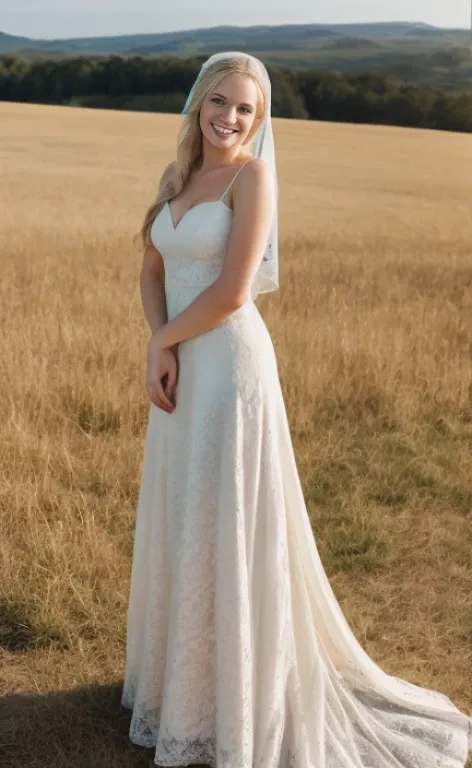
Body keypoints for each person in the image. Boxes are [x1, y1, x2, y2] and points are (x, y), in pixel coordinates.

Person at [121, 51, 472, 768]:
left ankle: (235, 694)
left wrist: (165, 341)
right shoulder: (178, 177)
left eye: (245, 109)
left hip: (228, 369)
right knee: (186, 515)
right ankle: (185, 686)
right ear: (198, 103)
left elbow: (231, 293)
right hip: (183, 368)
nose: (229, 118)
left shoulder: (254, 177)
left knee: (226, 519)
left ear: (260, 117)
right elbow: (153, 266)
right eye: (219, 102)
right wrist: (159, 345)